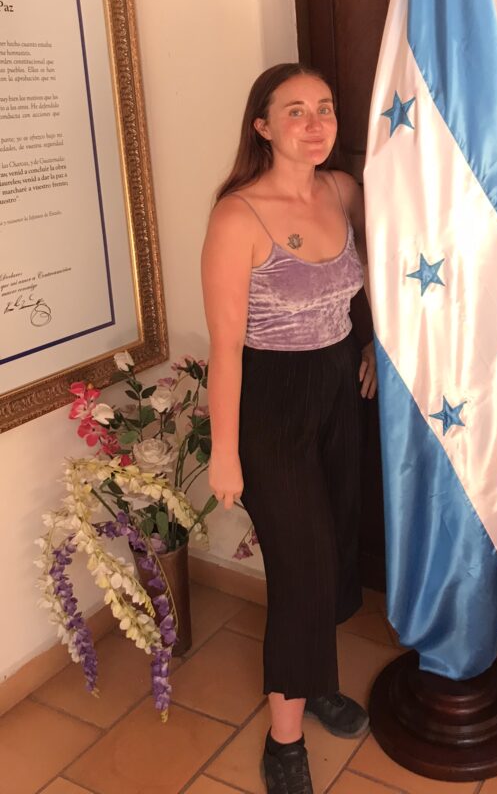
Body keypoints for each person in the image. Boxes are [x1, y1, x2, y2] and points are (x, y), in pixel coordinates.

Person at [201, 63, 377, 794]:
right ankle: (284, 741)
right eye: (295, 111)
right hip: (272, 404)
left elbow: (376, 277)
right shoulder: (238, 216)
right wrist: (225, 453)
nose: (315, 123)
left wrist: (366, 342)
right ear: (263, 126)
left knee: (337, 549)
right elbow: (226, 349)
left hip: (341, 389)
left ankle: (319, 679)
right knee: (301, 573)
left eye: (326, 109)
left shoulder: (342, 190)